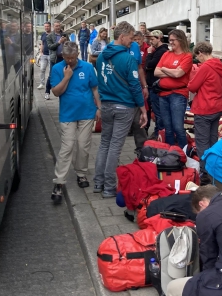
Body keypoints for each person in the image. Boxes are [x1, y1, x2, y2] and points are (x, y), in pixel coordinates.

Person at [94, 22, 147, 198]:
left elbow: (100, 82)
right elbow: (134, 85)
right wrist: (143, 108)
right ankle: (109, 187)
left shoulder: (102, 56)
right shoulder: (128, 59)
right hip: (124, 106)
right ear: (122, 36)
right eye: (131, 38)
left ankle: (98, 182)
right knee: (115, 146)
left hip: (107, 105)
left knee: (104, 144)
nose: (132, 42)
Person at [49, 42, 100, 202]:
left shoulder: (87, 67)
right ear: (62, 56)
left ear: (77, 54)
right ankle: (59, 181)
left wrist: (99, 107)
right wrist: (67, 77)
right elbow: (56, 92)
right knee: (67, 146)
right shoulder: (58, 69)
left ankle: (81, 173)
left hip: (87, 112)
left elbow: (94, 88)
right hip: (68, 114)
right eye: (67, 58)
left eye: (72, 58)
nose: (70, 61)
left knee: (83, 145)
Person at [188, 42, 222, 158]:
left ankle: (205, 171)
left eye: (197, 57)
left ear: (200, 53)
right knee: (213, 139)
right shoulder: (220, 65)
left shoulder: (205, 67)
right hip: (217, 106)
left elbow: (192, 87)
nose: (198, 60)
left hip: (204, 107)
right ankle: (214, 167)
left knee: (202, 142)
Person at [154, 29, 192, 148]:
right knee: (168, 128)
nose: (170, 42)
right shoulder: (166, 54)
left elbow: (178, 74)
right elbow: (156, 72)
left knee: (178, 127)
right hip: (163, 95)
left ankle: (184, 153)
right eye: (169, 40)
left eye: (173, 40)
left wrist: (164, 69)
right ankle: (171, 154)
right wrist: (172, 71)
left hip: (178, 94)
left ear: (180, 40)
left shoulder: (187, 56)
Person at [145, 30, 169, 138]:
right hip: (153, 85)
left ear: (159, 38)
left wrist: (149, 54)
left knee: (158, 112)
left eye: (153, 39)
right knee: (156, 111)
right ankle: (157, 132)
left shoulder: (161, 51)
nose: (150, 42)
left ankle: (159, 134)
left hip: (156, 86)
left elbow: (148, 65)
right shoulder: (159, 50)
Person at [45, 21, 67, 100]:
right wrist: (59, 42)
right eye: (56, 26)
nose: (58, 28)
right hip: (55, 58)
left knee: (64, 74)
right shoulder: (49, 36)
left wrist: (65, 42)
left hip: (63, 58)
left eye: (59, 26)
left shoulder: (64, 34)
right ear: (53, 27)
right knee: (51, 75)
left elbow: (67, 44)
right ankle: (47, 92)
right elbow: (50, 47)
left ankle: (62, 91)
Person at [37, 21, 52, 89]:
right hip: (44, 55)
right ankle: (42, 83)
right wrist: (40, 52)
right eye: (45, 26)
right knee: (42, 69)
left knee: (51, 70)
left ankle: (51, 83)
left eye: (47, 26)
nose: (46, 27)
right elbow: (42, 44)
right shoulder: (43, 34)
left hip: (51, 55)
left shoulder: (53, 34)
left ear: (50, 27)